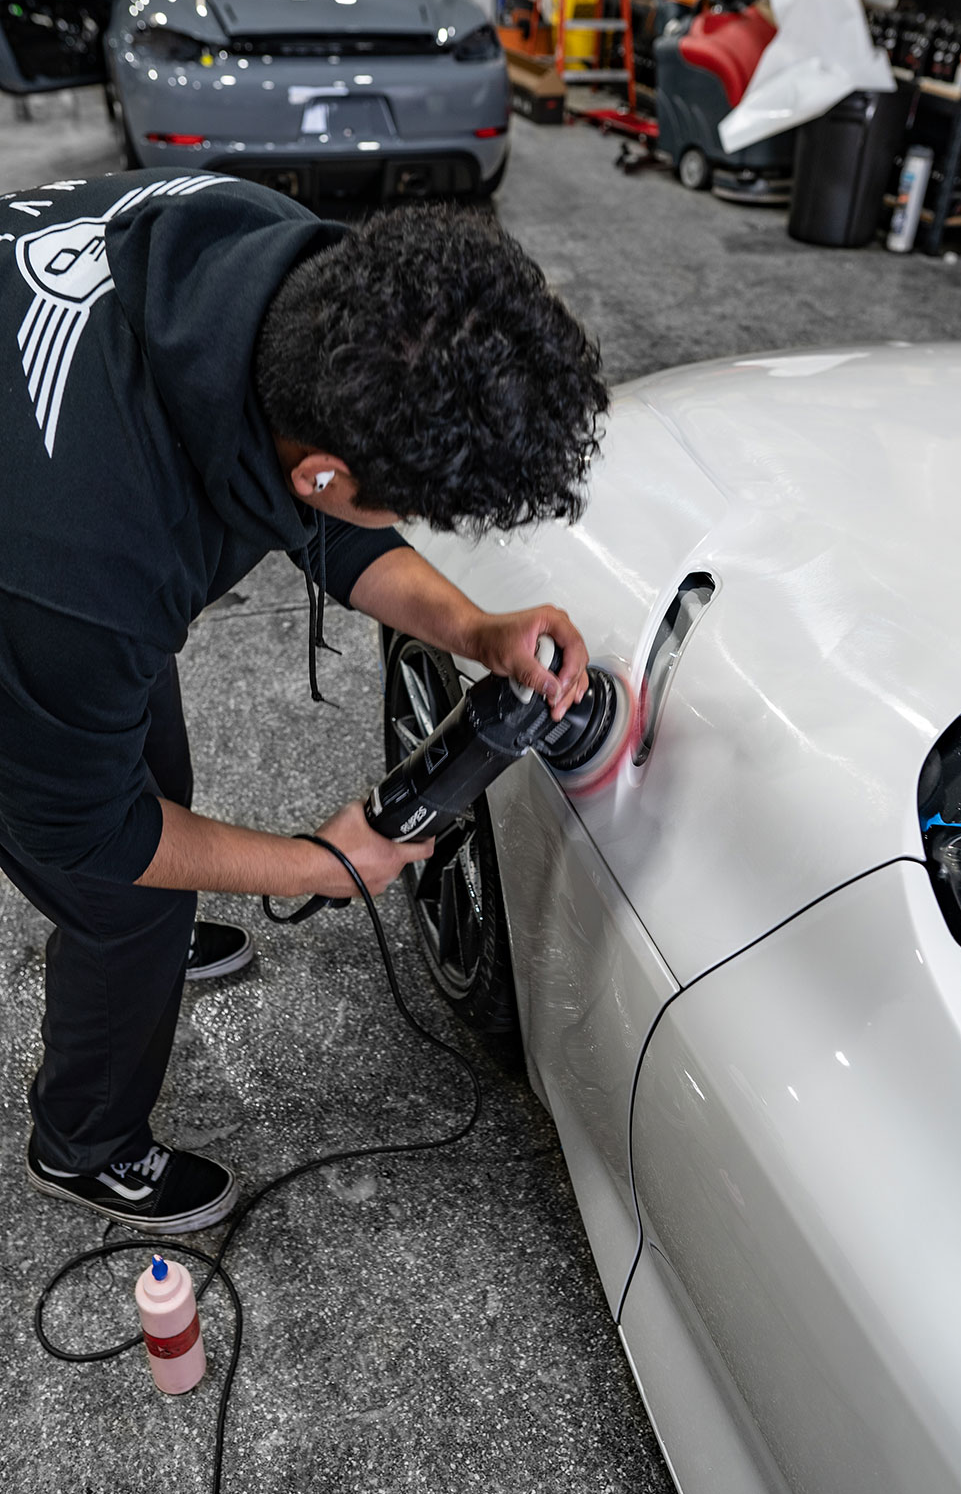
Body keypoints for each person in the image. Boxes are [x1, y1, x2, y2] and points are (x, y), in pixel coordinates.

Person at [0, 170, 610, 1235]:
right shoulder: (87, 566)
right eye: (403, 499)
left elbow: (334, 517)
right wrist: (322, 863)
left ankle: (142, 948)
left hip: (64, 551)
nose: (404, 516)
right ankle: (83, 1141)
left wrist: (475, 630)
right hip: (29, 565)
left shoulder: (288, 272)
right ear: (324, 469)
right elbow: (85, 826)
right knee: (124, 888)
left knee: (145, 761)